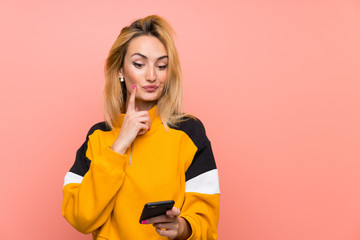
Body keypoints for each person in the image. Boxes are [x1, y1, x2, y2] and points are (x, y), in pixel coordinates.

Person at [62, 15, 220, 240]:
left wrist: (183, 228)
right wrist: (119, 146)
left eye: (162, 65)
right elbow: (79, 217)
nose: (152, 76)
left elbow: (207, 221)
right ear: (119, 71)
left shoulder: (189, 132)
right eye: (139, 64)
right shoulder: (98, 136)